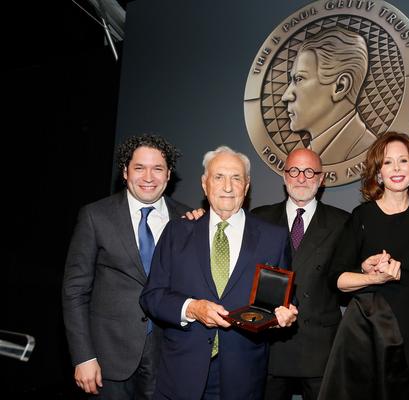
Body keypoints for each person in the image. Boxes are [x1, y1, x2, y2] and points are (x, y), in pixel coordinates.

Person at [140, 146, 298, 400]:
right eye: (218, 177)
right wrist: (191, 308)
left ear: (246, 186)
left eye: (236, 178)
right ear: (204, 184)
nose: (227, 186)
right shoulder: (177, 232)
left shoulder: (274, 238)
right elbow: (152, 296)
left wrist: (286, 313)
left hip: (242, 378)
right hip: (181, 375)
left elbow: (284, 299)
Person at [62, 134, 191, 398]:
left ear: (168, 176)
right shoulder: (95, 216)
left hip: (168, 357)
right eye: (139, 167)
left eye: (158, 169)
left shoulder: (187, 220)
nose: (148, 177)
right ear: (124, 172)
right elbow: (74, 291)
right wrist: (83, 357)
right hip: (107, 358)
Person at [320, 132, 409, 400]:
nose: (396, 168)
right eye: (387, 162)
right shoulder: (363, 216)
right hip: (374, 335)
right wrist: (371, 277)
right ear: (378, 173)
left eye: (403, 161)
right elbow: (337, 279)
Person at [252, 148, 350, 400]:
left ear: (321, 179)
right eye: (294, 170)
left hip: (320, 348)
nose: (301, 178)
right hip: (270, 345)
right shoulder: (258, 219)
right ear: (284, 177)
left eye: (309, 171)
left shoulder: (343, 222)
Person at [283, 27, 377, 164]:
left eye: (299, 79)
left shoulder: (368, 149)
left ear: (340, 87)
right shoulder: (311, 153)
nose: (285, 96)